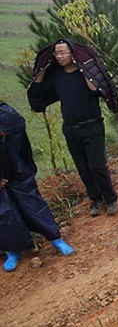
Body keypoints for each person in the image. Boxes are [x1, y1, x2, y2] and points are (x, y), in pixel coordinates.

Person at [27, 38, 118, 217]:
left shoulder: (83, 73)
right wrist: (42, 68)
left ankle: (111, 198)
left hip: (92, 126)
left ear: (73, 54)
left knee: (97, 166)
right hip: (70, 128)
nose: (60, 56)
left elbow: (97, 91)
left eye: (63, 53)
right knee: (83, 167)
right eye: (56, 53)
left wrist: (84, 68)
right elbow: (38, 92)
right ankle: (95, 199)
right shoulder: (56, 75)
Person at [0, 102, 73, 272]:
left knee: (33, 205)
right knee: (4, 216)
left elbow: (21, 147)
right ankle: (12, 251)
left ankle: (56, 239)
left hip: (18, 172)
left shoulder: (7, 113)